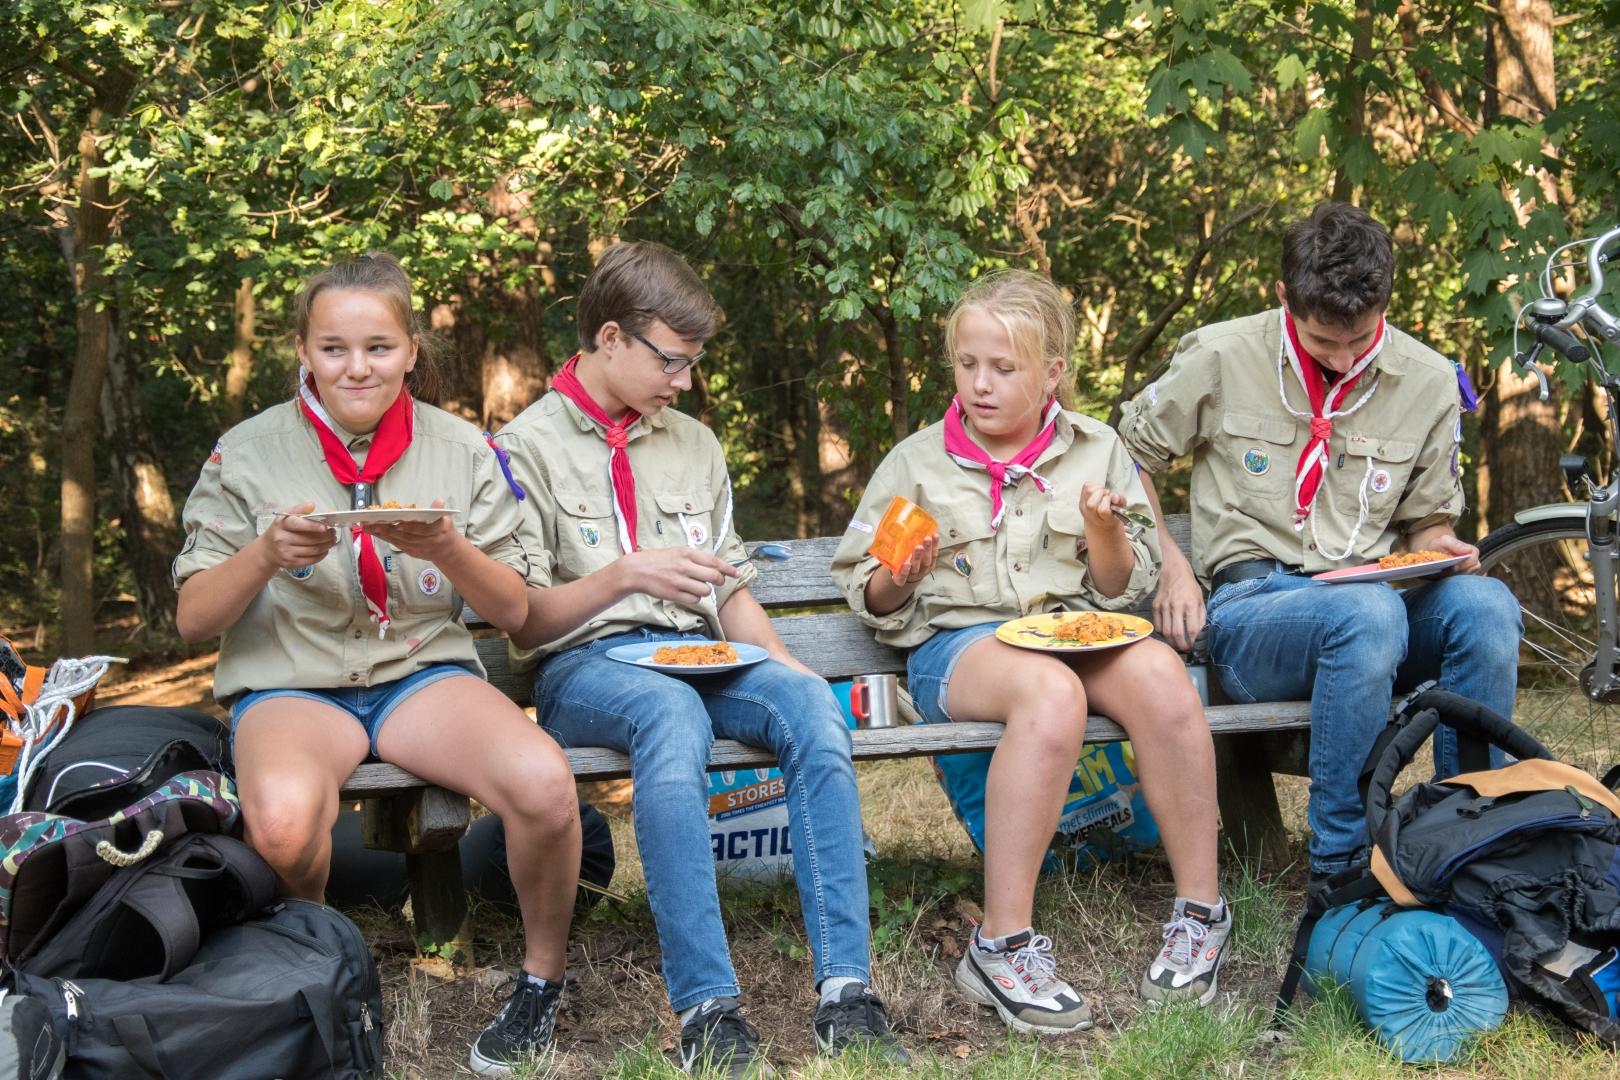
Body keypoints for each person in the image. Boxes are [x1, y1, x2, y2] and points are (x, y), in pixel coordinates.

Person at [495, 241, 904, 1076]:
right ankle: (708, 1009)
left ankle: (847, 992)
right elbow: (527, 623)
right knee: (670, 715)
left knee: (810, 707)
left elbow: (729, 587)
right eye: (671, 361)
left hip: (703, 652)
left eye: (692, 363)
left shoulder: (694, 445)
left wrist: (786, 665)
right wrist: (624, 576)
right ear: (611, 338)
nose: (683, 382)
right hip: (590, 667)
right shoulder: (520, 449)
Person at [173, 253, 582, 1077]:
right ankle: (320, 976)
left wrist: (448, 549)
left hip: (419, 676)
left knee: (545, 785)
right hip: (293, 682)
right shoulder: (245, 454)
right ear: (303, 350)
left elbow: (516, 613)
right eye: (333, 348)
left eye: (378, 347)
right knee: (282, 825)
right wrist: (263, 555)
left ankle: (541, 983)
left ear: (410, 350)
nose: (356, 368)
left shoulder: (462, 449)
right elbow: (191, 621)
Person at [831, 270, 1232, 1034]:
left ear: (1052, 373)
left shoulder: (1098, 449)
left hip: (1073, 630)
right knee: (1050, 694)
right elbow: (870, 597)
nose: (980, 384)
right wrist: (897, 576)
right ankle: (1000, 944)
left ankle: (1201, 914)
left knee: (1160, 673)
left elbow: (1119, 586)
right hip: (961, 648)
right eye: (967, 364)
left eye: (1003, 368)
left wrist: (1106, 531)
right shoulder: (917, 463)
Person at [1117, 202, 1523, 881]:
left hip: (1376, 607)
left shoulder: (1427, 380)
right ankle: (1343, 861)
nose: (1342, 358)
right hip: (1254, 614)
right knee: (1367, 614)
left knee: (1487, 607)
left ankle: (1470, 840)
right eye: (1322, 342)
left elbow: (1427, 523)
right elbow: (1122, 457)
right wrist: (1171, 568)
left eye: (1359, 339)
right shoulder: (1219, 354)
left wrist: (1443, 549)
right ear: (1284, 296)